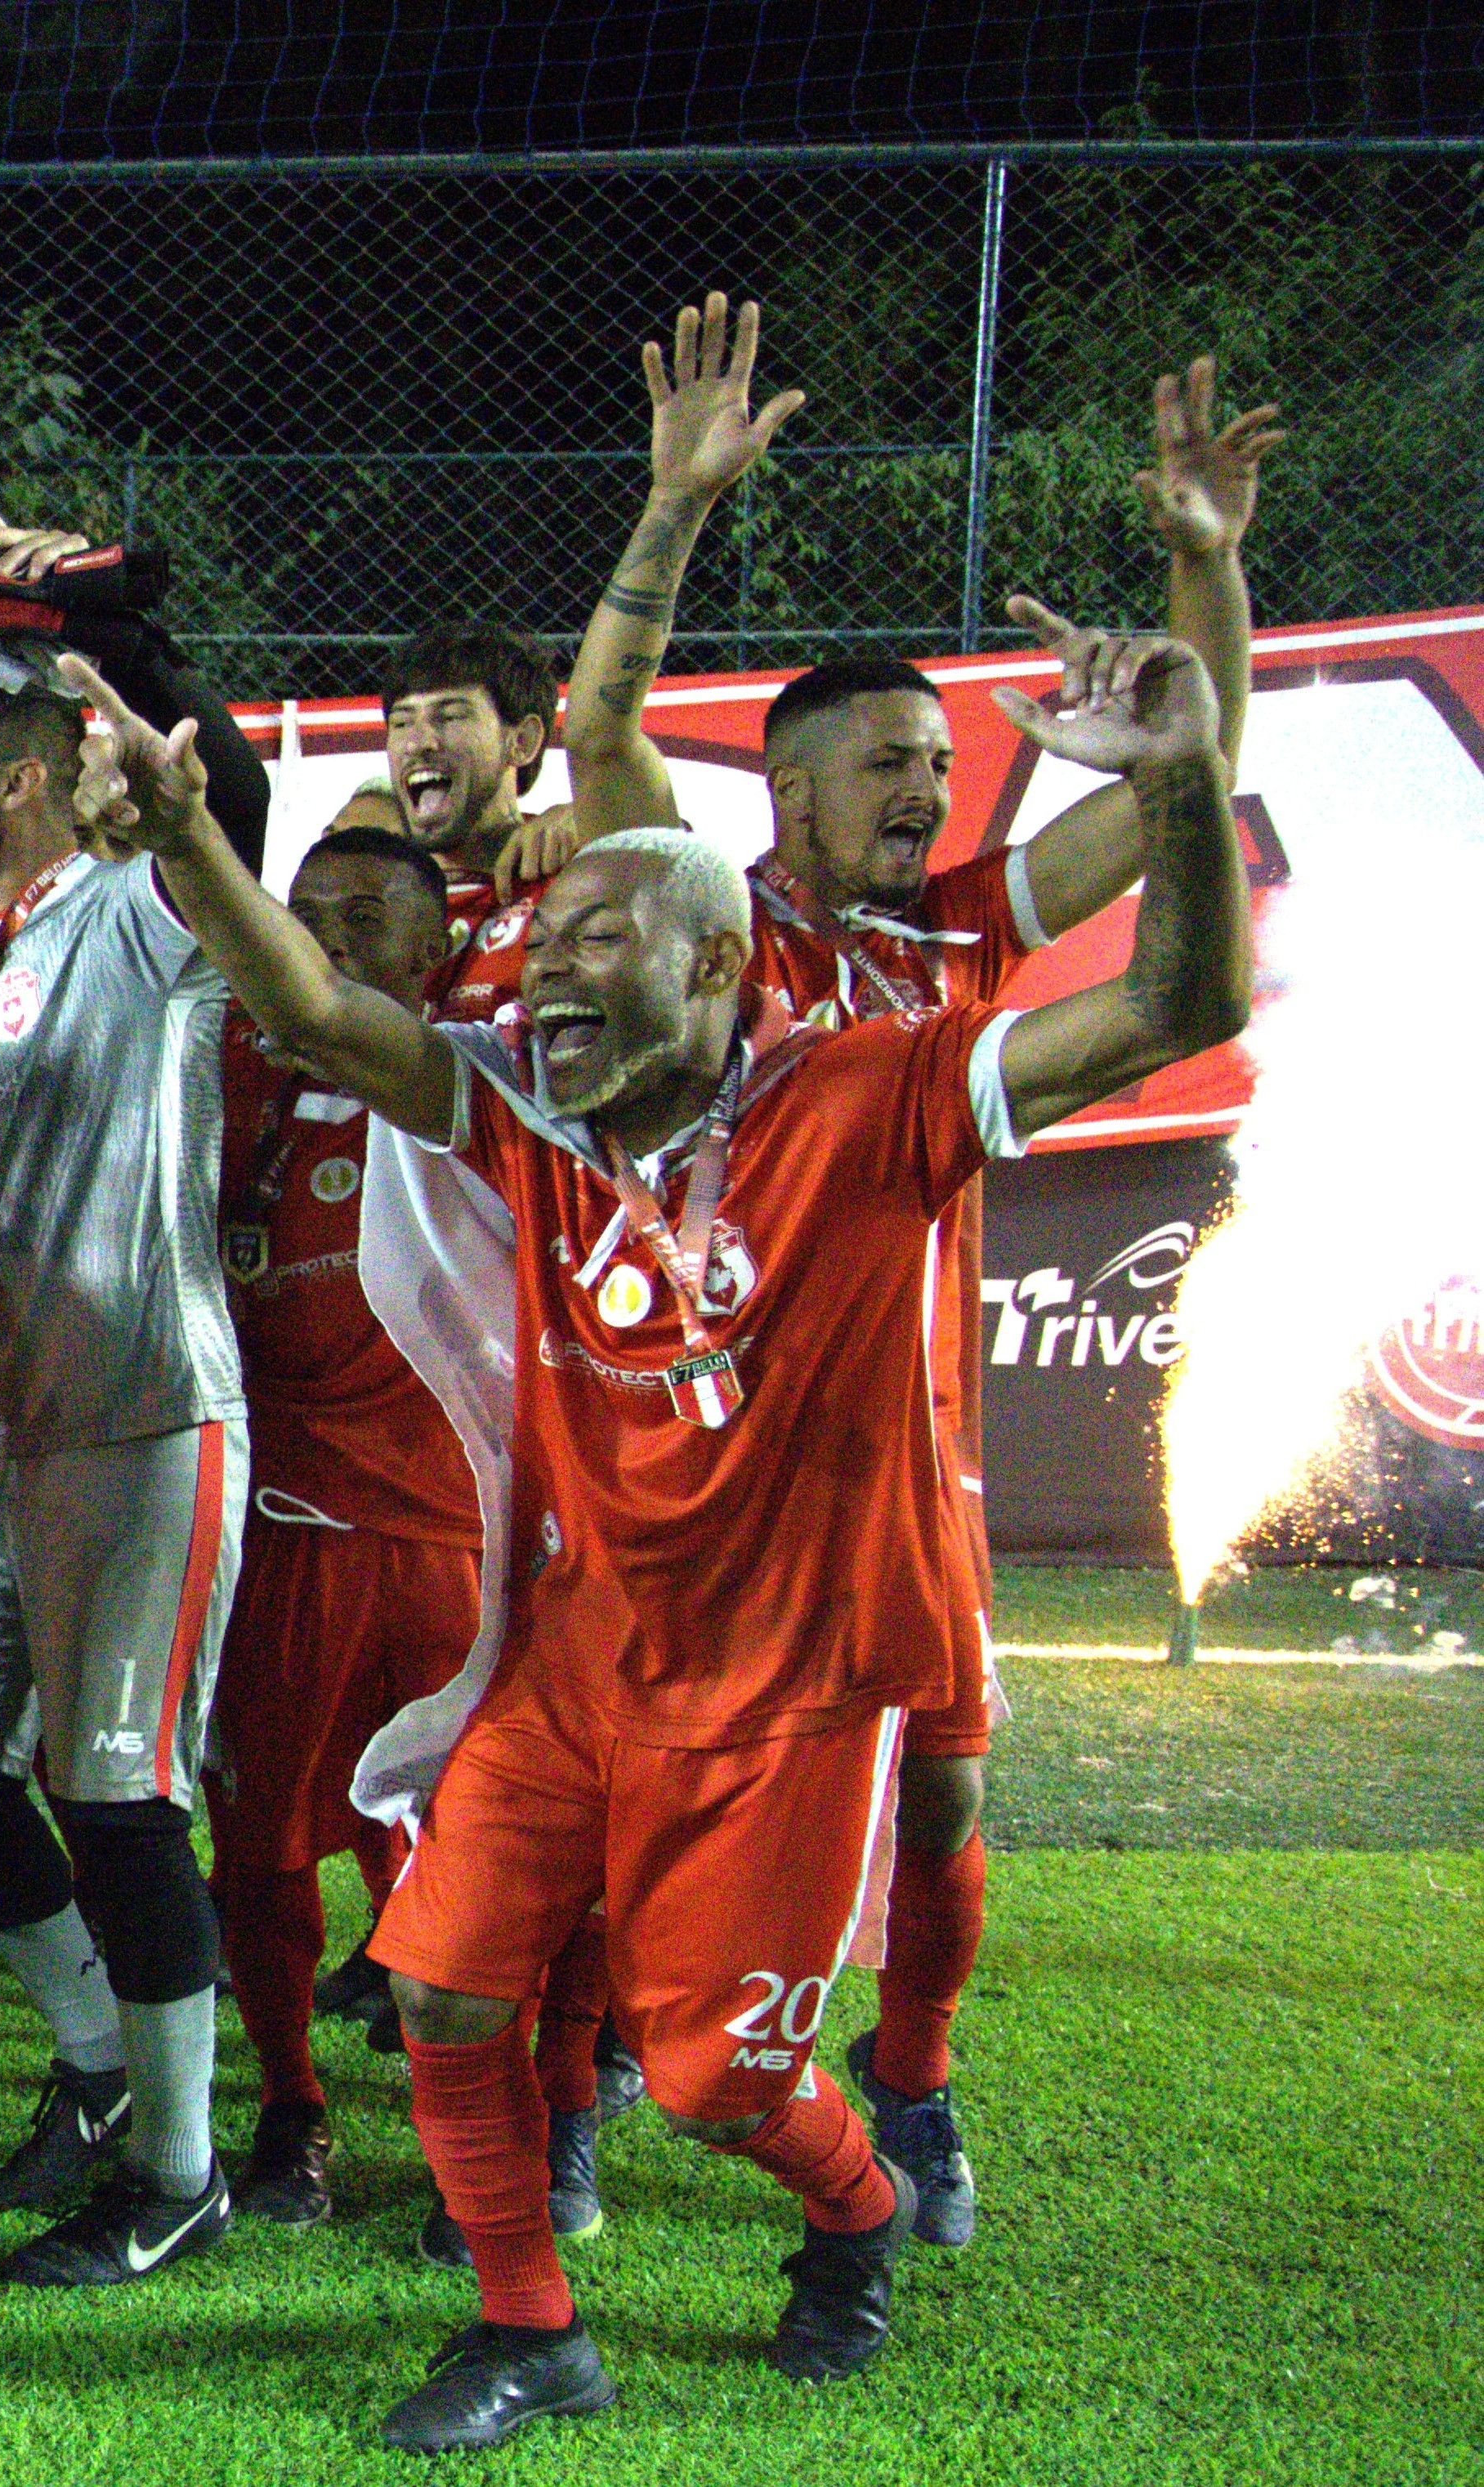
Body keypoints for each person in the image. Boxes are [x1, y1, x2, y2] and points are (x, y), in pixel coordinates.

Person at [103, 587, 1251, 2445]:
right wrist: (185, 856)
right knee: (451, 1995)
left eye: (595, 939)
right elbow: (314, 1002)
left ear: (716, 975)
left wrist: (1187, 779)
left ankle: (858, 2202)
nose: (541, 971)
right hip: (570, 1659)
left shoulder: (872, 1097)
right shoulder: (527, 1123)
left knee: (717, 2078)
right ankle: (524, 2327)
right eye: (540, 935)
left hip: (781, 1688)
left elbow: (1176, 1000)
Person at [550, 300, 1278, 2247]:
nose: (924, 791)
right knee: (615, 1769)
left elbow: (1175, 779)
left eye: (937, 761)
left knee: (945, 1797)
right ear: (781, 795)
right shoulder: (706, 932)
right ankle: (591, 2055)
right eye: (884, 763)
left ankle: (914, 2079)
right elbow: (597, 732)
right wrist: (668, 511)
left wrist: (1200, 569)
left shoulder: (956, 941)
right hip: (692, 1456)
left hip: (901, 1465)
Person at [0, 638, 272, 2288]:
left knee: (115, 1797)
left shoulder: (140, 906)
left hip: (138, 1416)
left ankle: (175, 2172)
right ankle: (98, 2062)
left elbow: (214, 802)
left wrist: (120, 623)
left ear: (23, 774)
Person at [201, 829, 485, 2225]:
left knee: (448, 1844)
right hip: (281, 1531)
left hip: (444, 1539)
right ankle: (289, 2111)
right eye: (302, 918)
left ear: (431, 954)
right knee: (256, 1848)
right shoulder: (221, 1081)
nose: (324, 941)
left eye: (365, 921)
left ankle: (468, 2127)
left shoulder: (474, 1092)